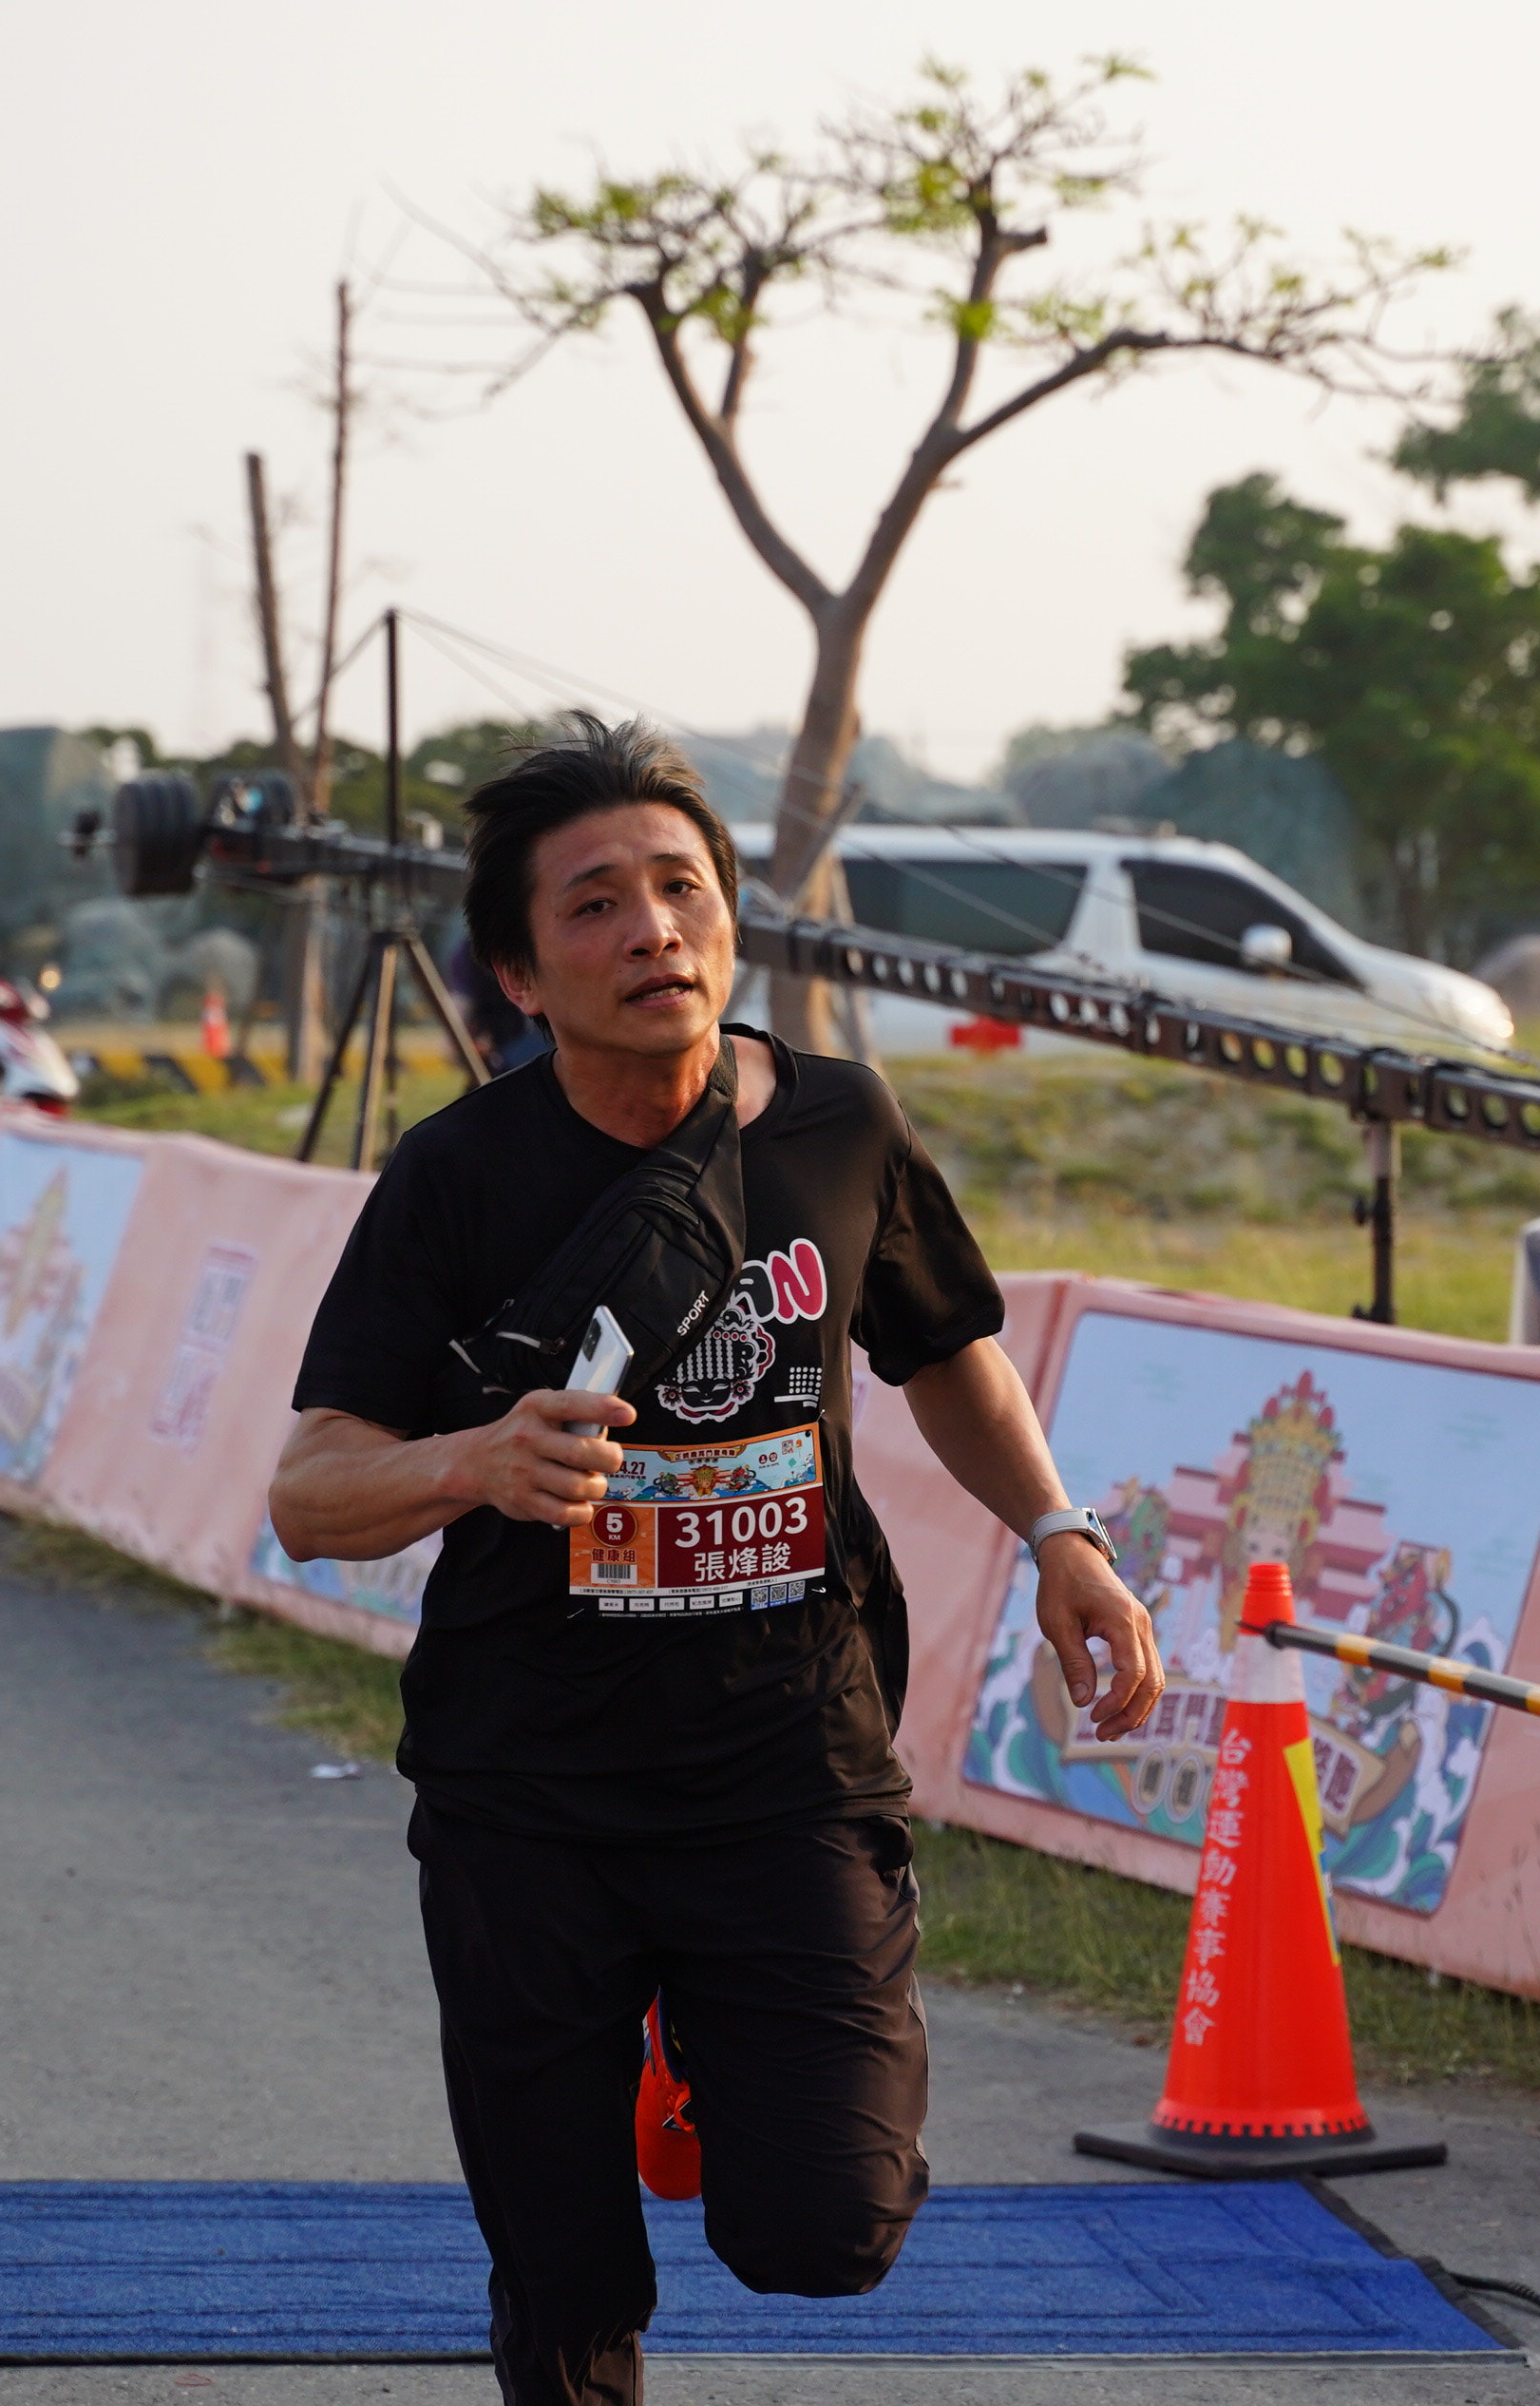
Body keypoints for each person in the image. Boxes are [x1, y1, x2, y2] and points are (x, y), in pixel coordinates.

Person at [270, 716, 1164, 2406]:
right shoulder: (458, 1176)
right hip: (529, 1787)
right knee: (566, 2274)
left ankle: (692, 2039)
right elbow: (310, 1490)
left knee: (826, 2225)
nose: (653, 931)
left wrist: (1061, 1534)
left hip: (784, 1762)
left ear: (731, 922)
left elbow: (947, 1349)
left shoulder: (839, 1124)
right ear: (521, 976)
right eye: (595, 904)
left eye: (680, 889)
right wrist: (475, 1459)